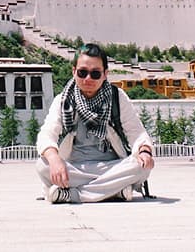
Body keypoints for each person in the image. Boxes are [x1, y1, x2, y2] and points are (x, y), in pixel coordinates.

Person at [36, 43, 154, 204]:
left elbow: (136, 132)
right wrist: (54, 159)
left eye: (95, 74)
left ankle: (73, 195)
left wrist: (144, 151)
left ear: (105, 74)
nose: (88, 79)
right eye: (82, 72)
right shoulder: (63, 100)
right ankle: (115, 191)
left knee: (142, 166)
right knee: (43, 165)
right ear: (74, 72)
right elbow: (47, 133)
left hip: (111, 166)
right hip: (75, 167)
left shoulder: (117, 97)